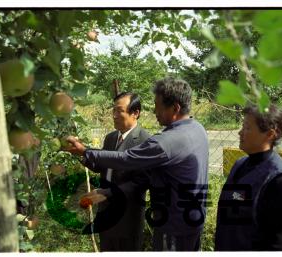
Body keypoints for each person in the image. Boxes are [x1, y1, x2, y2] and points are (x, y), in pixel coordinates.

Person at [65, 77, 209, 251]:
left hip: (172, 227)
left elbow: (126, 159)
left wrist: (85, 151)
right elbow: (107, 165)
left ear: (175, 108)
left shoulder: (165, 141)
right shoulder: (197, 128)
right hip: (191, 220)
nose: (154, 110)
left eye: (157, 105)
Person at [214, 104, 282, 251]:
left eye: (247, 128)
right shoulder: (239, 165)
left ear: (270, 134)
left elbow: (281, 245)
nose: (240, 132)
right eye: (242, 126)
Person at [83, 92, 151, 251]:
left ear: (135, 113)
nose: (114, 115)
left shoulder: (144, 141)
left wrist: (107, 192)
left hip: (127, 219)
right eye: (113, 110)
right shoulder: (110, 138)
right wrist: (81, 155)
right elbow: (103, 167)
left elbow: (141, 182)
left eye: (119, 111)